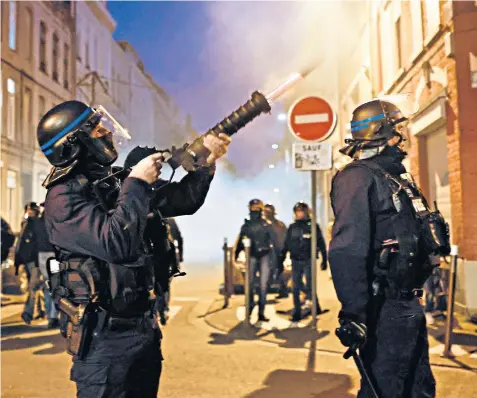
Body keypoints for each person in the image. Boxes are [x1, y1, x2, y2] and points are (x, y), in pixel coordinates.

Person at [37, 100, 231, 398]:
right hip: (104, 339)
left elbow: (182, 200)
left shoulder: (112, 181)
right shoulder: (63, 198)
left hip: (143, 328)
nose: (105, 132)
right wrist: (137, 182)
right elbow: (117, 244)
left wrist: (205, 164)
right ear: (74, 144)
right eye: (95, 128)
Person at [329, 99, 449, 397]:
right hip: (383, 308)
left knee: (419, 389)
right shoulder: (357, 178)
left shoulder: (394, 176)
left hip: (408, 305)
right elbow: (347, 249)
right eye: (398, 128)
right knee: (384, 390)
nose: (404, 135)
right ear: (380, 131)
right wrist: (354, 314)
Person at [280, 202, 328, 322]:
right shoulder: (292, 227)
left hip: (308, 259)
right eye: (297, 211)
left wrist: (324, 259)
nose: (299, 213)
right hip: (296, 260)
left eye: (301, 211)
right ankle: (297, 311)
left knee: (310, 284)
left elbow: (321, 243)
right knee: (296, 287)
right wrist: (280, 259)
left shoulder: (313, 226)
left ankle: (315, 307)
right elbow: (286, 244)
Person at [235, 199, 277, 322]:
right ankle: (250, 307)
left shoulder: (266, 224)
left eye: (256, 208)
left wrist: (276, 261)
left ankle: (261, 313)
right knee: (250, 285)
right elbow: (241, 241)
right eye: (253, 208)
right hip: (252, 255)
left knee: (263, 286)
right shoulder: (246, 225)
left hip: (264, 255)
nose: (254, 210)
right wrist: (237, 254)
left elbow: (273, 243)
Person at [15, 202, 46, 324]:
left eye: (31, 210)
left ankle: (28, 313)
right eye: (27, 210)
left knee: (33, 287)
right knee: (34, 287)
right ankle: (39, 310)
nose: (28, 212)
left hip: (34, 260)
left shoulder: (36, 224)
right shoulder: (26, 224)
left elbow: (35, 243)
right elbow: (21, 244)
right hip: (28, 260)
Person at [263, 203, 288, 299]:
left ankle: (280, 290)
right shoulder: (265, 224)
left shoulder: (279, 225)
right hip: (269, 252)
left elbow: (285, 237)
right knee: (272, 272)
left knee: (276, 271)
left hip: (277, 252)